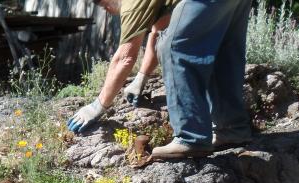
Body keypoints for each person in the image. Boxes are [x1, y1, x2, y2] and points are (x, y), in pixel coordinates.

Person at [68, 0, 253, 159]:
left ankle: (191, 137)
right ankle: (232, 128)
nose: (106, 10)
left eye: (102, 4)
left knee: (175, 47)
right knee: (225, 50)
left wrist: (98, 105)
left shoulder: (131, 4)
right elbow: (160, 30)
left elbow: (124, 58)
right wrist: (142, 77)